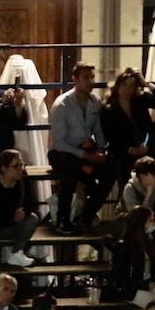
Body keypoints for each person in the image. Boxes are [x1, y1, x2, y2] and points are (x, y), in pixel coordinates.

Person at [49, 62, 110, 235]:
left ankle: (87, 214)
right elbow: (59, 142)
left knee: (111, 167)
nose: (90, 81)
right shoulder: (62, 105)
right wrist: (86, 155)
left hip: (84, 149)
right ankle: (63, 219)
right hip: (62, 152)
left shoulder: (95, 102)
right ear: (75, 79)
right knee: (70, 169)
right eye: (85, 78)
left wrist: (102, 149)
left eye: (92, 77)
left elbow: (98, 130)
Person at [99, 67, 155, 182]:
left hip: (147, 145)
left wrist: (146, 84)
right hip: (125, 150)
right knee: (126, 167)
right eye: (125, 85)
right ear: (118, 85)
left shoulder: (140, 99)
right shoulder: (108, 109)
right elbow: (110, 137)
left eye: (132, 86)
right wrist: (131, 150)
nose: (128, 89)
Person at [119, 157, 155, 263]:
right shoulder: (130, 188)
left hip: (153, 223)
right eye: (154, 175)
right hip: (130, 224)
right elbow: (136, 217)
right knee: (140, 236)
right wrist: (149, 194)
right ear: (143, 176)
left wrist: (154, 225)